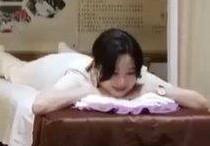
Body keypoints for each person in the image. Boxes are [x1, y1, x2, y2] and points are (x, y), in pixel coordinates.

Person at [32, 28, 209, 114]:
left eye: (130, 73)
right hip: (53, 66)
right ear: (97, 68)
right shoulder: (78, 75)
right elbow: (39, 105)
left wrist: (158, 90)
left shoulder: (139, 76)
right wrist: (89, 91)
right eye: (114, 73)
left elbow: (202, 103)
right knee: (19, 72)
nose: (122, 82)